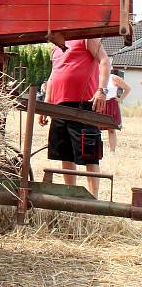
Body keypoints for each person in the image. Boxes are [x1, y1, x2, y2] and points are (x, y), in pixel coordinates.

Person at [39, 38, 110, 197]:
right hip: (59, 107)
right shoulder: (57, 46)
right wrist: (46, 105)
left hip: (83, 106)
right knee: (66, 154)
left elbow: (105, 60)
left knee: (89, 155)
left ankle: (93, 200)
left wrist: (102, 90)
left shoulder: (88, 38)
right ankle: (71, 196)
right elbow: (53, 76)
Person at [102, 70, 130, 153]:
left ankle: (112, 151)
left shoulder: (113, 78)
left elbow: (128, 88)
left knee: (111, 129)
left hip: (111, 104)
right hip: (100, 103)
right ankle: (97, 149)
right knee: (95, 128)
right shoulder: (95, 76)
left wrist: (120, 99)